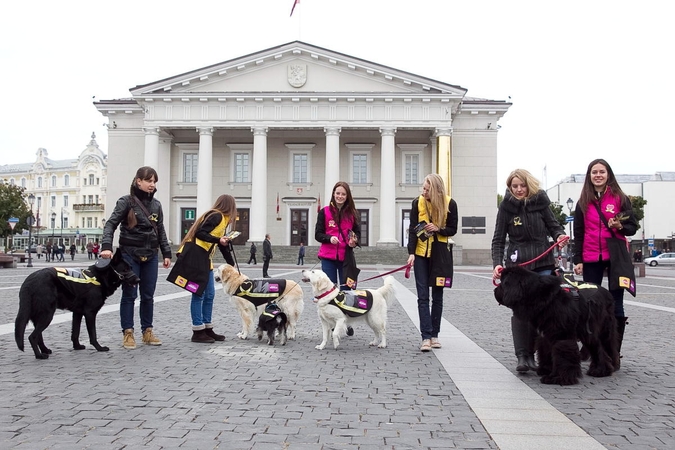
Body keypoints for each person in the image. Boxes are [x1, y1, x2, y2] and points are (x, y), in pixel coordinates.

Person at [491, 169, 566, 371]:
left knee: (543, 310)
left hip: (543, 264)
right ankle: (523, 356)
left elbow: (554, 226)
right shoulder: (506, 208)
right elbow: (498, 239)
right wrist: (497, 263)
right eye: (514, 186)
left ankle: (539, 354)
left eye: (522, 185)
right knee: (519, 311)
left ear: (528, 185)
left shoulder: (541, 202)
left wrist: (559, 236)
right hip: (518, 268)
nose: (518, 189)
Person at [100, 166, 172, 350]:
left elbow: (160, 229)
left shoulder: (156, 205)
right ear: (138, 181)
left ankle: (147, 331)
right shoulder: (126, 202)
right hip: (129, 254)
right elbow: (110, 224)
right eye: (149, 180)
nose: (152, 184)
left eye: (154, 181)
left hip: (150, 255)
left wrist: (166, 252)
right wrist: (107, 247)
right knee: (130, 294)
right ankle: (128, 332)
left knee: (148, 295)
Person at [573, 159, 638, 359]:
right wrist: (578, 259)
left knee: (615, 303)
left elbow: (633, 227)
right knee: (590, 303)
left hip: (616, 256)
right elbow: (579, 232)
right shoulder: (583, 202)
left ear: (608, 174)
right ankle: (591, 347)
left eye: (602, 171)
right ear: (589, 176)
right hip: (591, 256)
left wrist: (620, 226)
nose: (598, 175)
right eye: (594, 172)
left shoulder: (620, 198)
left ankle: (613, 352)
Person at [406, 174, 458, 352]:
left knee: (437, 296)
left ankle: (435, 335)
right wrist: (411, 253)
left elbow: (453, 229)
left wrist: (438, 229)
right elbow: (413, 229)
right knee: (422, 296)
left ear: (436, 190)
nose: (424, 192)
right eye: (423, 188)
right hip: (421, 254)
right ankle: (425, 337)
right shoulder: (417, 203)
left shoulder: (450, 203)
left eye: (427, 189)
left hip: (440, 254)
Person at [178, 194, 237, 343]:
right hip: (197, 258)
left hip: (205, 259)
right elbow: (200, 233)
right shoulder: (216, 216)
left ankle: (207, 328)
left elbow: (221, 245)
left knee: (209, 295)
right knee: (198, 294)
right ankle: (197, 330)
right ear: (230, 206)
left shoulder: (223, 221)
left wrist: (231, 264)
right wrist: (218, 239)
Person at [315, 181, 361, 287]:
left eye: (343, 194)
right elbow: (318, 234)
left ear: (347, 196)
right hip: (328, 257)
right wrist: (329, 238)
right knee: (329, 289)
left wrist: (354, 241)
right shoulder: (324, 212)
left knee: (347, 289)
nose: (340, 196)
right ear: (333, 194)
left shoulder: (353, 214)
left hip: (346, 258)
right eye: (338, 193)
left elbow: (357, 233)